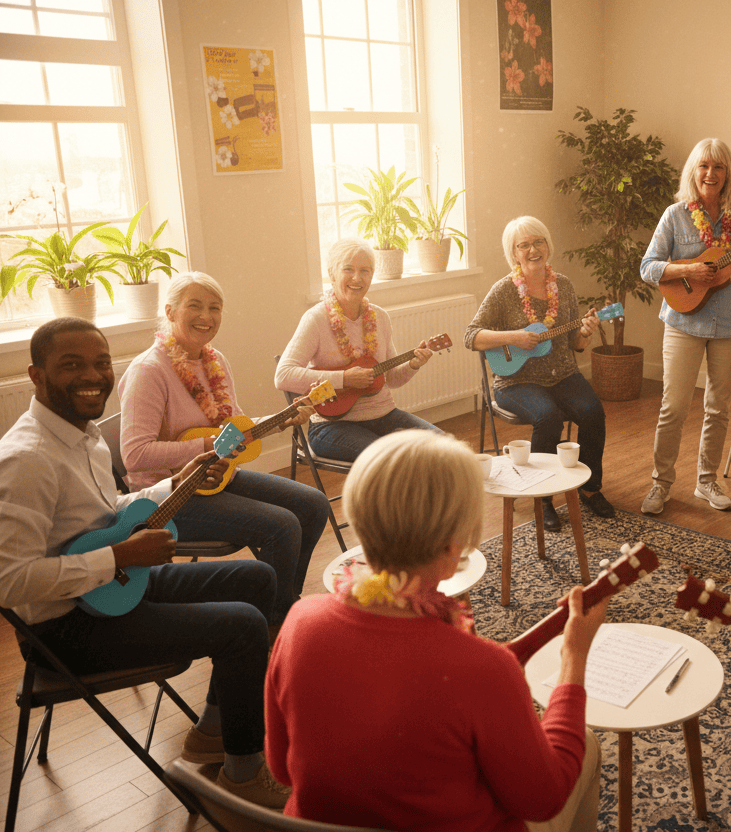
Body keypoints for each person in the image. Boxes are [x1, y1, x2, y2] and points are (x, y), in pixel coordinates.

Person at [0, 318, 289, 807]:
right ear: (36, 374)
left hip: (114, 588)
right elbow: (9, 583)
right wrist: (118, 555)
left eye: (99, 362)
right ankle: (244, 771)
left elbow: (107, 510)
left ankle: (216, 728)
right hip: (66, 631)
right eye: (71, 364)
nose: (92, 375)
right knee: (242, 626)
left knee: (257, 577)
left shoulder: (82, 433)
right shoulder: (26, 459)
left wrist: (176, 484)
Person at [266, 430, 606, 831]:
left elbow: (282, 770)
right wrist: (574, 658)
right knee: (587, 748)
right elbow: (543, 800)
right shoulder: (483, 669)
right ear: (451, 548)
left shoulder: (299, 620)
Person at [118, 272, 330, 629]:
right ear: (170, 311)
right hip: (168, 495)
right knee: (282, 526)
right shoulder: (149, 370)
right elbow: (135, 456)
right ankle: (272, 625)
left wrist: (283, 419)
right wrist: (206, 445)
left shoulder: (215, 361)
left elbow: (234, 427)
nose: (207, 316)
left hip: (217, 477)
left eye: (215, 308)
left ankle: (281, 603)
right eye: (195, 306)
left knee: (313, 505)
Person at [638, 138, 731, 515]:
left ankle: (706, 481)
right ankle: (661, 483)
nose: (710, 174)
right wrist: (687, 269)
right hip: (683, 320)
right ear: (693, 171)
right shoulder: (675, 215)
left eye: (718, 167)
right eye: (704, 166)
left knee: (718, 407)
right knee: (674, 407)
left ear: (727, 174)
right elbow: (648, 266)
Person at [465, 216, 614, 532]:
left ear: (547, 246)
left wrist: (586, 331)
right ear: (514, 253)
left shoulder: (564, 285)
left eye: (538, 242)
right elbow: (471, 336)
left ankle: (589, 487)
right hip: (515, 380)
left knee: (592, 412)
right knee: (548, 417)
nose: (533, 250)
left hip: (562, 373)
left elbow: (576, 343)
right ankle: (542, 497)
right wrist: (513, 337)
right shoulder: (504, 290)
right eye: (524, 245)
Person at [275, 236, 443, 462]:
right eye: (348, 269)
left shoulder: (380, 317)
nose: (357, 278)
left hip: (385, 415)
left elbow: (392, 379)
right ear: (332, 273)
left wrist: (413, 364)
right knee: (392, 461)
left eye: (365, 270)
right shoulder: (315, 319)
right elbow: (283, 375)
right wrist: (344, 379)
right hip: (332, 426)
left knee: (445, 446)